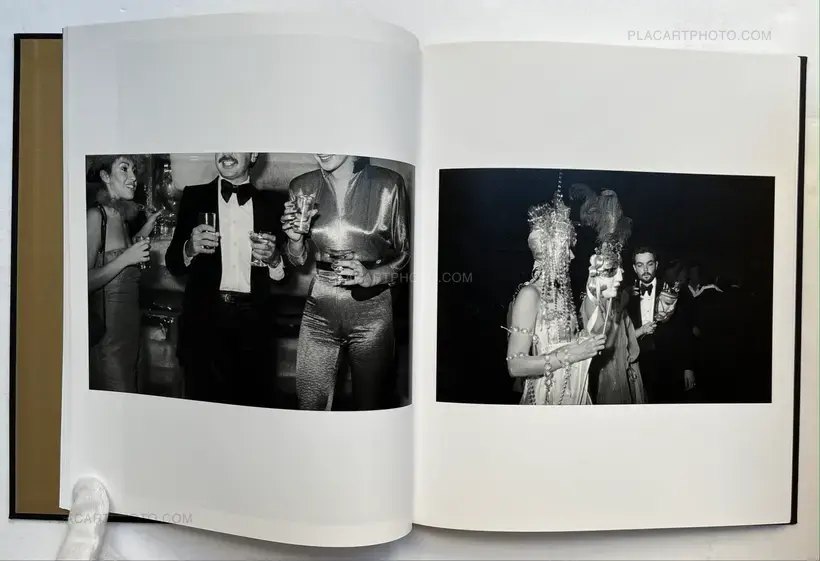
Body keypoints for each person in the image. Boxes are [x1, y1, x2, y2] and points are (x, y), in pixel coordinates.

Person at [281, 154, 410, 411]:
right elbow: (297, 259)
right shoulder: (301, 186)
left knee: (371, 407)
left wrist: (371, 276)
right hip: (320, 305)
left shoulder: (389, 183)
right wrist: (295, 240)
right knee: (310, 405)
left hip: (372, 310)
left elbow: (404, 254)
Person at [166, 152, 288, 408]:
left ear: (253, 155)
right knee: (202, 410)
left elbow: (285, 279)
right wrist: (189, 248)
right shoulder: (194, 196)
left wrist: (275, 258)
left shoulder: (273, 203)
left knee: (251, 411)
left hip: (255, 325)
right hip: (203, 323)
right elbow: (173, 263)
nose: (227, 153)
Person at [503, 189, 606, 405]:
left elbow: (572, 341)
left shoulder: (562, 295)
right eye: (566, 249)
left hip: (573, 391)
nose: (572, 255)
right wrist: (572, 354)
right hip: (546, 395)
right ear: (550, 251)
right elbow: (515, 365)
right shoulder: (529, 295)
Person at [87, 154, 163, 393]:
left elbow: (120, 254)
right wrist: (127, 258)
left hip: (131, 334)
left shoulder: (120, 216)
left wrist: (146, 228)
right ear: (105, 176)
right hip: (110, 341)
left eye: (134, 170)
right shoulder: (96, 217)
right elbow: (81, 282)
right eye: (124, 169)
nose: (133, 177)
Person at [572, 185, 647, 404]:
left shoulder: (616, 298)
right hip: (604, 378)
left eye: (620, 270)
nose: (620, 277)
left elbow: (627, 337)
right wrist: (619, 308)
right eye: (612, 271)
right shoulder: (592, 302)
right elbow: (602, 344)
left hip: (625, 370)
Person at [627, 246, 696, 403]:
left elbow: (685, 332)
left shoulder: (674, 291)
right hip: (638, 364)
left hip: (669, 364)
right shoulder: (626, 295)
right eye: (640, 265)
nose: (645, 270)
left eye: (650, 264)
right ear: (634, 268)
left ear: (657, 265)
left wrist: (688, 367)